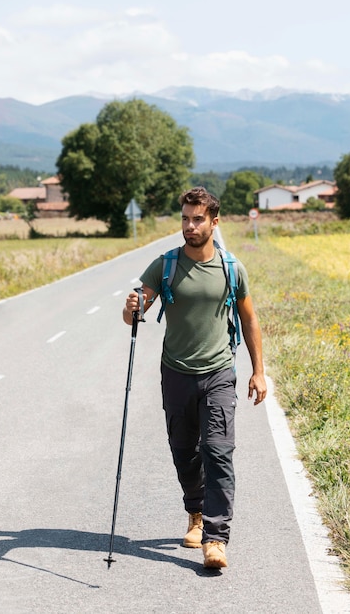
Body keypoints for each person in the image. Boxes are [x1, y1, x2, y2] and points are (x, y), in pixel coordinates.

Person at [123, 186, 267, 569]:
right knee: (184, 450)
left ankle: (216, 538)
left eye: (197, 219)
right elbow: (135, 313)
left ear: (214, 222)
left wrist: (259, 372)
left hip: (219, 371)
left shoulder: (231, 268)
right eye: (185, 218)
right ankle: (196, 513)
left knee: (217, 451)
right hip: (176, 373)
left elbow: (250, 319)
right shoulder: (165, 265)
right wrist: (132, 307)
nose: (189, 226)